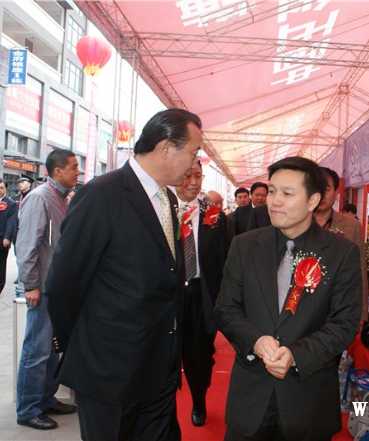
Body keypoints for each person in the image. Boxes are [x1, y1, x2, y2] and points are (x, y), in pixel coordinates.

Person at [44, 108, 203, 441]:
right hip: (110, 371)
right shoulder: (102, 194)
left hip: (160, 366)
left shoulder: (167, 199)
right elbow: (63, 284)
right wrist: (86, 347)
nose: (194, 163)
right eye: (193, 152)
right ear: (166, 148)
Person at [214, 156, 362, 441]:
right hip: (250, 399)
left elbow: (344, 323)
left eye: (287, 193)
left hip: (308, 400)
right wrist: (256, 341)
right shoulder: (244, 246)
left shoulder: (340, 253)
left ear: (313, 200)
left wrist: (296, 354)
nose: (275, 201)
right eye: (272, 191)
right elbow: (226, 308)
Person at [15, 149, 79, 430]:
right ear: (57, 171)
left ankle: (45, 399)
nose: (78, 172)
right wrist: (30, 285)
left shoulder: (62, 198)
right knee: (37, 350)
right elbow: (27, 245)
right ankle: (28, 409)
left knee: (52, 350)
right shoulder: (39, 198)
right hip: (40, 289)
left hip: (56, 289)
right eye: (73, 167)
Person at [173, 161, 229, 427]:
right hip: (169, 296)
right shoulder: (160, 210)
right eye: (187, 176)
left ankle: (198, 400)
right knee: (165, 354)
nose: (194, 182)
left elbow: (225, 259)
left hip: (201, 295)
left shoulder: (215, 216)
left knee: (201, 355)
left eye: (198, 176)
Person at [314, 167, 369, 322]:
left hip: (338, 307)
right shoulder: (296, 223)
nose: (321, 194)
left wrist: (361, 313)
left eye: (326, 189)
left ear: (337, 192)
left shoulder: (351, 226)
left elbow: (360, 271)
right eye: (316, 188)